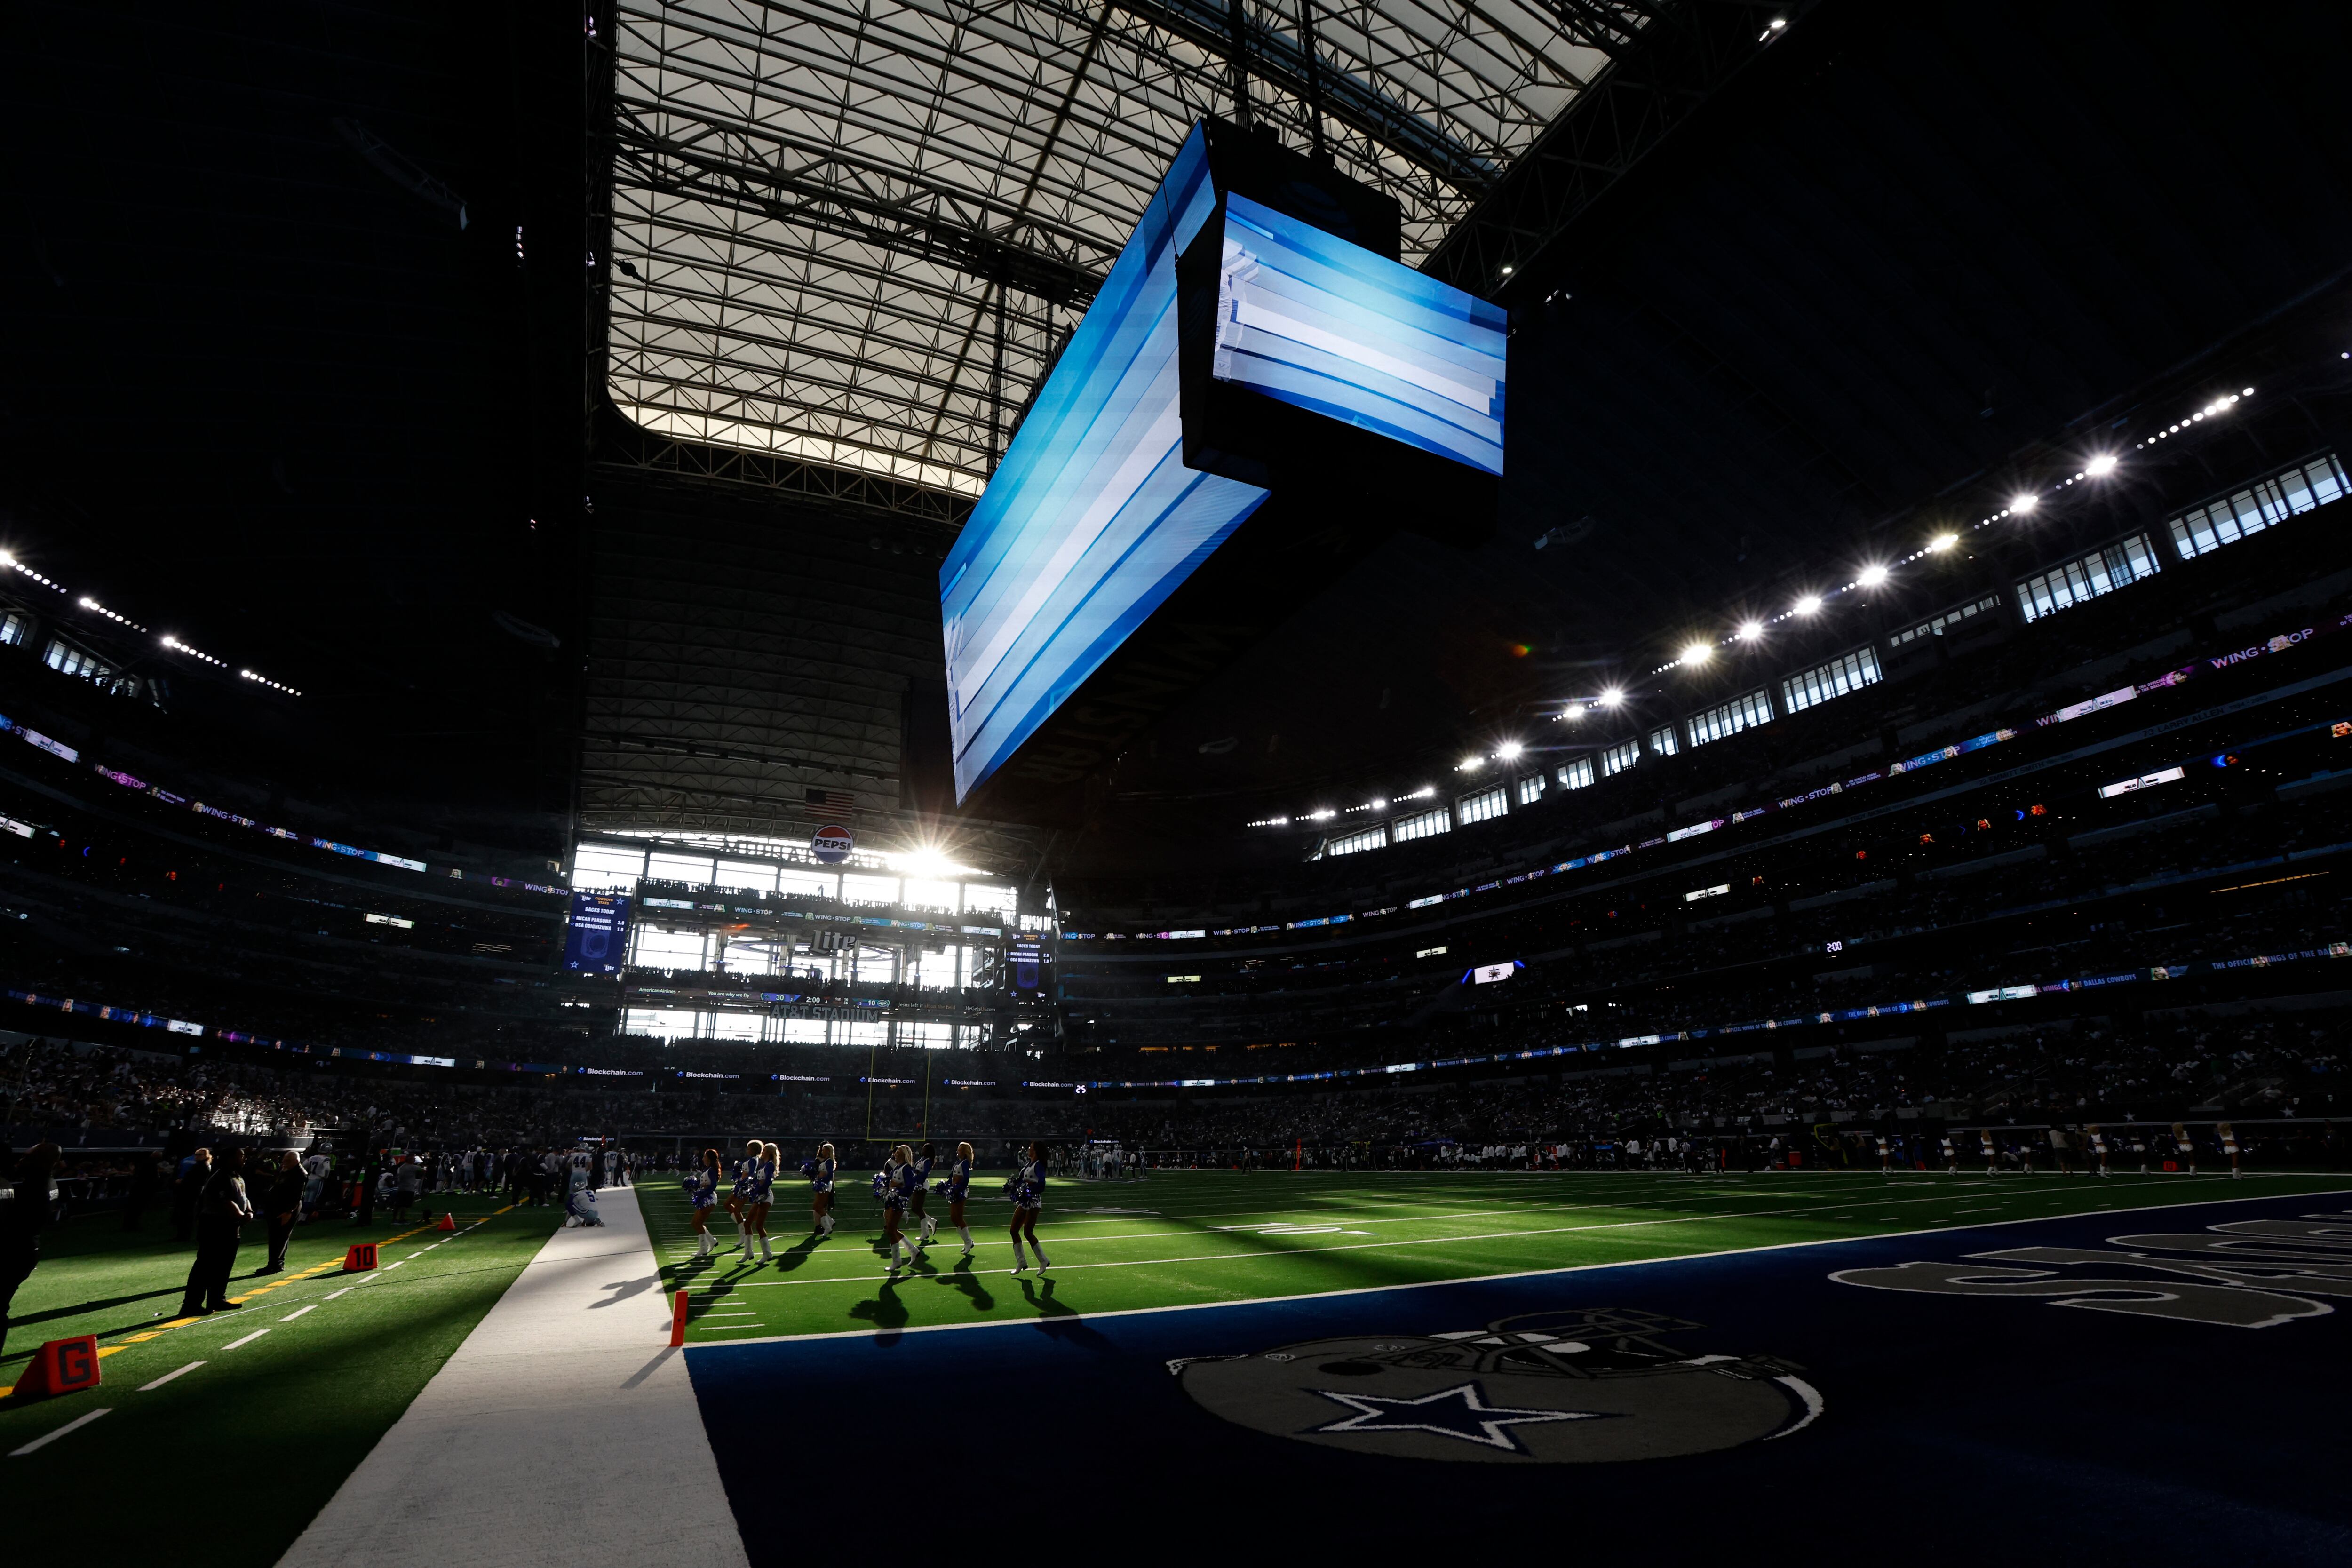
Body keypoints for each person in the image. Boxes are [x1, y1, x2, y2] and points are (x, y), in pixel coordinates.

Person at [1, 1142, 62, 1362]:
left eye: (26, 1157)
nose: (20, 1161)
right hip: (28, 1250)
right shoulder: (49, 1183)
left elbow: (13, 1224)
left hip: (15, 1252)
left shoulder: (33, 1187)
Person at [179, 1146, 254, 1316]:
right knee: (205, 1267)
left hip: (231, 1227)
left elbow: (244, 1197)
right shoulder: (220, 1177)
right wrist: (242, 1216)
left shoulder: (237, 1177)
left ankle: (217, 1299)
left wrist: (249, 1210)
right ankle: (191, 1304)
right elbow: (225, 1201)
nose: (244, 1159)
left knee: (224, 1266)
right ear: (230, 1158)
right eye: (241, 1156)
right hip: (215, 1226)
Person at [258, 1150, 305, 1274]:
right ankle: (277, 1263)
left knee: (280, 1236)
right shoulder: (286, 1171)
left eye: (288, 1161)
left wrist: (289, 1212)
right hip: (278, 1207)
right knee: (278, 1236)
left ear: (296, 1161)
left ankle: (274, 1264)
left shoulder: (299, 1174)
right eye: (284, 1160)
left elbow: (297, 1195)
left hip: (287, 1209)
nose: (284, 1162)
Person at [880, 1145, 922, 1279]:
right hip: (891, 1199)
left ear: (904, 1155)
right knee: (890, 1229)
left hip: (899, 1201)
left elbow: (910, 1188)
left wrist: (898, 1191)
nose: (895, 1154)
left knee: (891, 1229)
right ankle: (897, 1260)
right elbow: (892, 1183)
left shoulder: (907, 1169)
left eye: (898, 1152)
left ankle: (912, 1251)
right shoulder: (897, 1168)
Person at [1009, 1141, 1050, 1274]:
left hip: (1033, 1202)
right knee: (1014, 1230)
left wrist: (1029, 1190)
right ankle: (1021, 1262)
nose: (1028, 1149)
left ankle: (1043, 1260)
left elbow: (1042, 1185)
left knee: (1028, 1232)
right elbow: (1020, 1181)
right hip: (1024, 1202)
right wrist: (1011, 1185)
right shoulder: (1028, 1165)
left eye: (1030, 1148)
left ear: (1036, 1151)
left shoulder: (1039, 1165)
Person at [683, 1148, 723, 1260]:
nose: (703, 1158)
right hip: (706, 1198)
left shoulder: (711, 1170)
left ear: (709, 1159)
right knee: (696, 1223)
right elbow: (704, 1184)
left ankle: (704, 1249)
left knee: (697, 1223)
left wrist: (703, 1193)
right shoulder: (708, 1169)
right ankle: (712, 1241)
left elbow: (713, 1185)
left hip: (709, 1199)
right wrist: (693, 1185)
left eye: (705, 1156)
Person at [171, 1146, 212, 1242]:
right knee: (187, 1213)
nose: (197, 1156)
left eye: (199, 1155)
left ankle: (183, 1235)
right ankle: (183, 1234)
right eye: (196, 1154)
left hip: (191, 1192)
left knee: (187, 1213)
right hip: (193, 1191)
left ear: (205, 1156)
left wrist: (182, 1181)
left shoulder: (201, 1166)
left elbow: (194, 1179)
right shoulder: (202, 1165)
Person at [745, 1143, 778, 1262]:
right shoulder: (764, 1165)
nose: (762, 1153)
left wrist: (758, 1190)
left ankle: (767, 1254)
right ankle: (748, 1253)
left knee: (759, 1225)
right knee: (747, 1223)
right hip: (760, 1196)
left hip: (765, 1197)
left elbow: (768, 1181)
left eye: (764, 1151)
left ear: (768, 1153)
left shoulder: (769, 1165)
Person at [945, 1141, 976, 1258]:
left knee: (958, 1217)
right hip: (955, 1190)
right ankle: (968, 1241)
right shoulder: (959, 1162)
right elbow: (952, 1175)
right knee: (954, 1218)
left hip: (960, 1192)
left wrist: (958, 1188)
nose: (957, 1151)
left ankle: (968, 1242)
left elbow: (966, 1178)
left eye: (959, 1149)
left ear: (964, 1152)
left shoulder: (965, 1163)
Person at [909, 1141, 937, 1247]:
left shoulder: (928, 1161)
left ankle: (925, 1232)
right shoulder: (922, 1160)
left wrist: (917, 1180)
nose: (922, 1149)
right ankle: (932, 1222)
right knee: (915, 1208)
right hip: (917, 1183)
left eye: (925, 1148)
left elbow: (924, 1174)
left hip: (922, 1185)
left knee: (918, 1208)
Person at [809, 1142, 836, 1238]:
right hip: (822, 1185)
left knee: (818, 1207)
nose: (822, 1152)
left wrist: (822, 1181)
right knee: (817, 1206)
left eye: (824, 1150)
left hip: (825, 1186)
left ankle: (828, 1227)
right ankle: (830, 1222)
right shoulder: (826, 1161)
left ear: (828, 1152)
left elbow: (829, 1175)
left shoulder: (829, 1161)